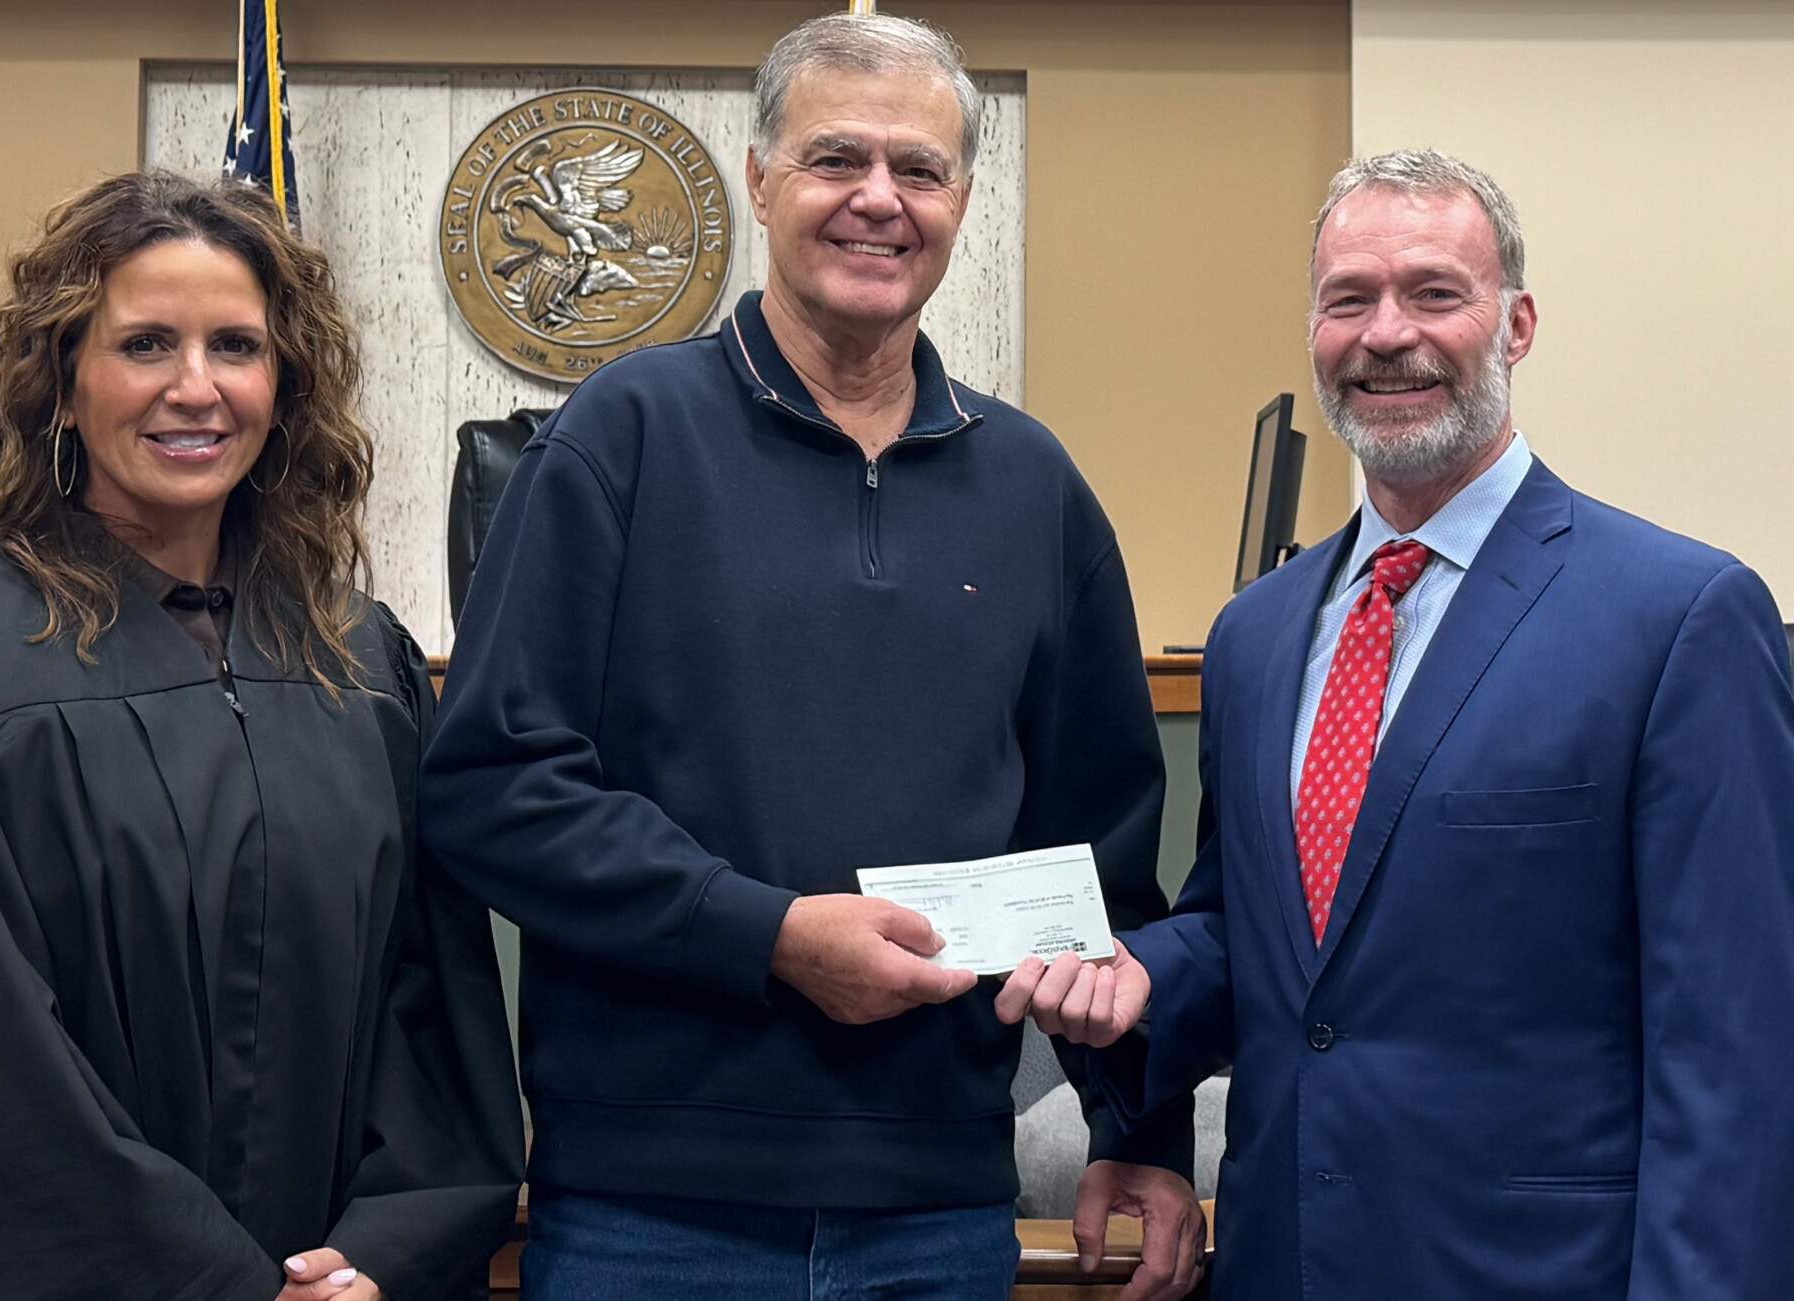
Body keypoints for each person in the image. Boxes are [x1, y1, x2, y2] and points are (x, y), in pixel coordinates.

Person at [421, 13, 1202, 1301]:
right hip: (648, 1212)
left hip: (939, 1212)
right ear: (759, 178)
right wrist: (768, 933)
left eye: (921, 169)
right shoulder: (621, 438)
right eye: (837, 157)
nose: (878, 200)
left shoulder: (1034, 487)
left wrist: (1139, 1128)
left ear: (962, 198)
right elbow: (491, 788)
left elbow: (1099, 863)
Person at [1001, 149, 1794, 1299]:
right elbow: (1256, 934)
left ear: (1515, 323)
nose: (1384, 334)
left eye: (1432, 292)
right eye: (1347, 299)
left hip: (1541, 1272)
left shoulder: (1679, 616)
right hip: (1284, 1259)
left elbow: (1729, 1043)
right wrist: (1135, 974)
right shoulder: (1255, 636)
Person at [0, 172, 524, 1300]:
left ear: (284, 388)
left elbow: (428, 1002)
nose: (197, 389)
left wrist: (384, 1248)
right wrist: (209, 1279)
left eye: (235, 346)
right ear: (60, 387)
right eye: (144, 345)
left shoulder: (354, 660)